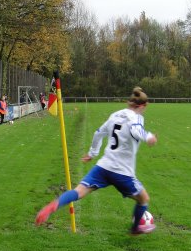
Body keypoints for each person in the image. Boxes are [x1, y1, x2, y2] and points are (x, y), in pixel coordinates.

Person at [35, 87, 158, 235]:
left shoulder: (115, 115)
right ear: (142, 106)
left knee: (78, 191)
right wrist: (149, 136)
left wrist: (93, 153)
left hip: (103, 167)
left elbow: (98, 133)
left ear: (129, 102)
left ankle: (55, 204)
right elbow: (136, 129)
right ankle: (135, 228)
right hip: (122, 172)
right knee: (143, 199)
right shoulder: (137, 117)